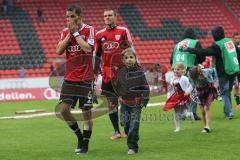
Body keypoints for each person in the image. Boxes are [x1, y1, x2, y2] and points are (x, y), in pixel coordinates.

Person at [55, 4, 95, 154]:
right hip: (70, 78)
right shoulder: (65, 32)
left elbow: (88, 49)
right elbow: (58, 50)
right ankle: (79, 136)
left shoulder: (89, 30)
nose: (69, 19)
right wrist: (69, 35)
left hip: (86, 79)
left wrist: (77, 34)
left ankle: (85, 143)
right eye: (67, 17)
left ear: (79, 16)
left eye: (72, 16)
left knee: (87, 113)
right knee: (63, 110)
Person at [181, 26, 239, 119]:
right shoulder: (229, 41)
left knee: (224, 92)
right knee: (227, 91)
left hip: (224, 71)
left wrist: (188, 49)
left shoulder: (217, 45)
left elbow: (203, 51)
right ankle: (229, 111)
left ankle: (229, 113)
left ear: (215, 35)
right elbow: (238, 53)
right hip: (234, 70)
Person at [94, 8, 135, 139]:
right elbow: (97, 54)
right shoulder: (99, 34)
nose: (107, 18)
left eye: (110, 15)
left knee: (127, 101)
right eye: (105, 16)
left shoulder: (123, 31)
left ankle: (127, 129)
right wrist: (95, 71)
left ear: (115, 17)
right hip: (107, 73)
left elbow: (130, 50)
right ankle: (116, 131)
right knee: (111, 103)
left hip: (123, 72)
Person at [112, 48, 149, 155]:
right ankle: (133, 135)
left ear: (135, 59)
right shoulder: (120, 72)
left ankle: (132, 147)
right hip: (124, 103)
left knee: (134, 125)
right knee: (125, 125)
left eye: (131, 57)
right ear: (123, 60)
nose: (129, 60)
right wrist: (118, 96)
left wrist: (144, 100)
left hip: (136, 103)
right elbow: (117, 86)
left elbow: (145, 87)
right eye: (126, 58)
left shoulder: (140, 71)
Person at [170, 28, 205, 120]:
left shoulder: (177, 44)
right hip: (189, 69)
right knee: (193, 90)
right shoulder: (195, 42)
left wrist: (175, 69)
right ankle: (191, 112)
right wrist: (199, 62)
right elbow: (201, 55)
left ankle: (182, 114)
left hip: (177, 70)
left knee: (180, 93)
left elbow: (171, 59)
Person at [163, 62, 193, 132]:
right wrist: (169, 96)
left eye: (178, 69)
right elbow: (171, 88)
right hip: (176, 96)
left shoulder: (184, 78)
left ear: (182, 70)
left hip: (183, 96)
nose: (176, 71)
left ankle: (190, 114)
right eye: (175, 69)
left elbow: (191, 85)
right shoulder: (173, 79)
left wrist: (188, 92)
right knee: (176, 112)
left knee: (184, 113)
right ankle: (177, 127)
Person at [188, 66, 218, 133]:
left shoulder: (206, 72)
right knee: (202, 111)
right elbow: (192, 84)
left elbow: (214, 70)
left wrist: (216, 81)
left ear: (198, 73)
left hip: (208, 90)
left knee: (207, 108)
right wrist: (188, 91)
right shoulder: (190, 74)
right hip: (199, 91)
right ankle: (205, 126)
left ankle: (208, 126)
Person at [232, 32, 240, 110]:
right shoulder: (232, 47)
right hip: (236, 69)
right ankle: (238, 103)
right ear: (233, 38)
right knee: (236, 86)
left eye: (239, 38)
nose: (238, 39)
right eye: (236, 38)